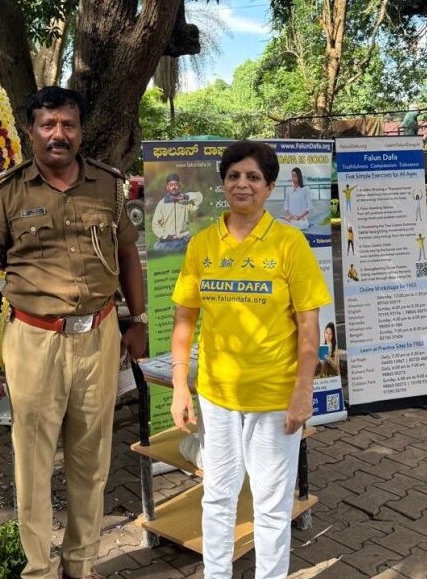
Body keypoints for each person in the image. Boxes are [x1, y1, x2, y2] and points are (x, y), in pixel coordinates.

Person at [0, 86, 146, 579]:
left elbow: (128, 254)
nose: (58, 134)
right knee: (34, 464)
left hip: (99, 337)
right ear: (32, 132)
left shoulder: (108, 186)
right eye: (48, 125)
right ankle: (38, 570)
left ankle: (80, 566)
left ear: (80, 131)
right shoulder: (7, 193)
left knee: (92, 462)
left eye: (68, 125)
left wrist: (139, 320)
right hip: (33, 341)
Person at [169, 140, 331, 579]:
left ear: (270, 187)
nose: (243, 184)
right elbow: (184, 320)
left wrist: (303, 393)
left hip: (274, 398)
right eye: (234, 176)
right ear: (223, 184)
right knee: (218, 496)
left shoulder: (289, 244)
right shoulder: (202, 244)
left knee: (272, 505)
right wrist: (181, 387)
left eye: (253, 177)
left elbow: (309, 328)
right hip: (217, 396)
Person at [151, 172, 203, 252]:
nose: (173, 187)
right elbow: (155, 224)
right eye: (171, 185)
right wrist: (166, 235)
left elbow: (199, 197)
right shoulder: (162, 204)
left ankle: (182, 248)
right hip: (169, 240)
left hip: (184, 238)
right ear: (167, 187)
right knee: (156, 247)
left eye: (175, 184)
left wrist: (185, 196)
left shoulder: (185, 201)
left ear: (179, 186)